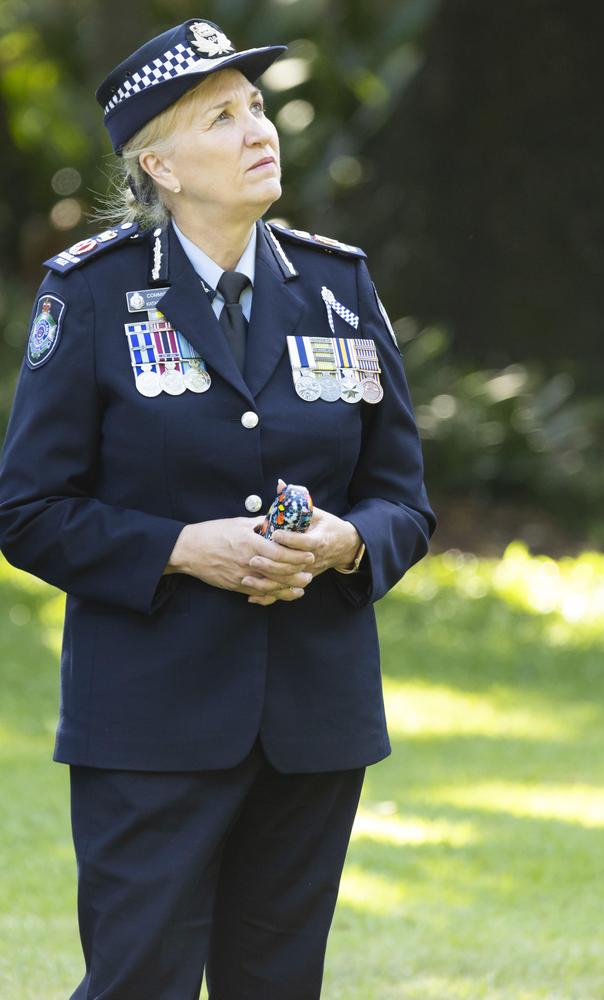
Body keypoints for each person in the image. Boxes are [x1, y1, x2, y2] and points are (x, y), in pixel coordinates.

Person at [0, 16, 436, 1000]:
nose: (258, 129)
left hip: (311, 717)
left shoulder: (338, 287)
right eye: (220, 116)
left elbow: (400, 500)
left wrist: (342, 541)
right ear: (159, 162)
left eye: (255, 107)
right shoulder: (94, 297)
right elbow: (28, 508)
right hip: (148, 718)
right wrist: (180, 547)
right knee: (138, 982)